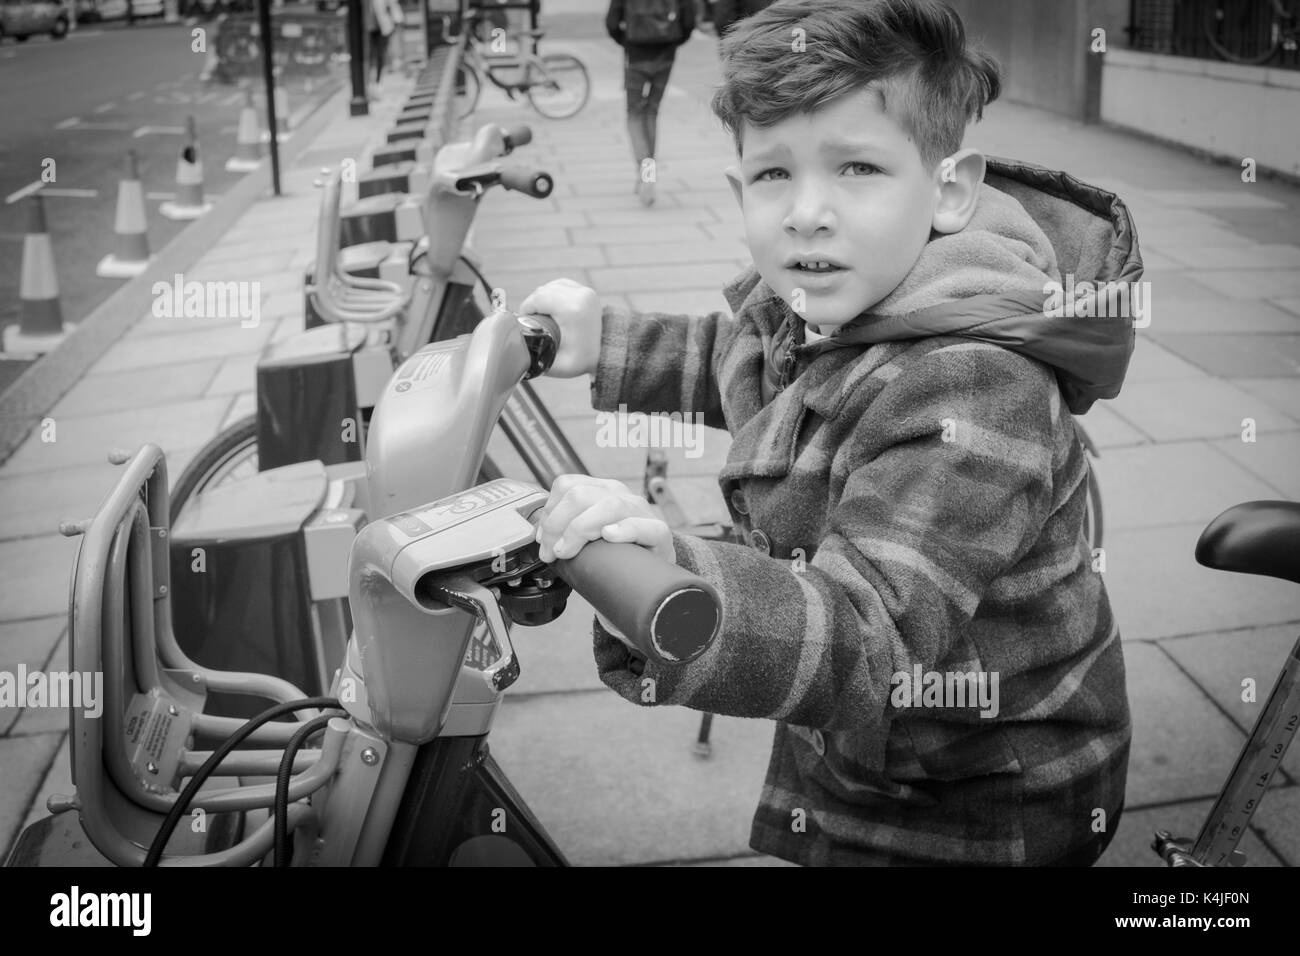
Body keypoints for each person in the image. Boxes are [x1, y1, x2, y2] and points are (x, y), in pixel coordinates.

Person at [521, 0, 1137, 866]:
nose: (807, 212)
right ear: (739, 189)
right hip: (871, 757)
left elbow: (866, 636)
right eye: (774, 175)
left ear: (950, 190)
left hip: (975, 797)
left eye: (856, 168)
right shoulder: (832, 299)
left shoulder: (970, 385)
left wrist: (674, 571)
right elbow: (740, 363)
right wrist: (604, 344)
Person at [606, 0, 696, 207]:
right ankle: (647, 175)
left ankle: (645, 175)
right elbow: (689, 21)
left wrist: (628, 40)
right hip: (666, 53)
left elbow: (611, 23)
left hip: (635, 55)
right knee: (652, 112)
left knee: (635, 115)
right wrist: (672, 41)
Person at [368, 0, 404, 90]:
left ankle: (378, 80)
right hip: (369, 29)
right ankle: (370, 81)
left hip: (382, 27)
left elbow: (393, 6)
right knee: (370, 55)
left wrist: (397, 20)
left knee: (380, 54)